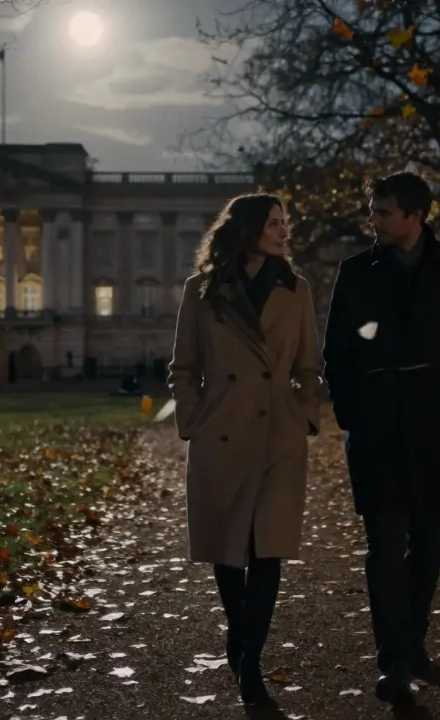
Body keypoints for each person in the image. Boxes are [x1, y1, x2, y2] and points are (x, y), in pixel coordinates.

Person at [322, 171, 440, 706]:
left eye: (382, 212)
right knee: (383, 544)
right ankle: (394, 659)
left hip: (436, 424)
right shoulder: (355, 272)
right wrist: (352, 411)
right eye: (372, 211)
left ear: (414, 215)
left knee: (427, 540)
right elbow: (337, 350)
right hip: (376, 424)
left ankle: (414, 641)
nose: (372, 221)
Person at [167, 193, 322, 707]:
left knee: (268, 547)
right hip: (221, 432)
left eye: (285, 222)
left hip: (278, 432)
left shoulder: (295, 289)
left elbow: (308, 366)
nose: (283, 231)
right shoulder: (202, 290)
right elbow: (183, 368)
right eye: (274, 223)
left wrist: (304, 412)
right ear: (249, 228)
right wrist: (193, 418)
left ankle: (250, 659)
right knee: (229, 550)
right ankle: (240, 631)